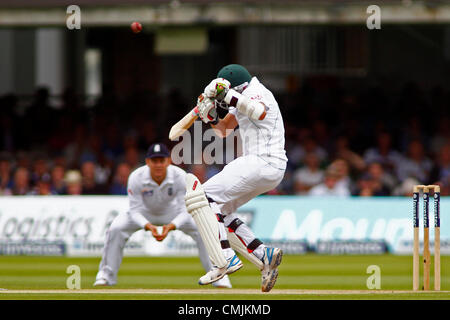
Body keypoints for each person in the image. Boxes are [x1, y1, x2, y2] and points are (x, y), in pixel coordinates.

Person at [186, 64, 287, 292]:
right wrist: (209, 117)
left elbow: (259, 111)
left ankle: (224, 257)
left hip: (262, 161)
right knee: (219, 212)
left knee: (202, 197)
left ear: (236, 88)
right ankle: (264, 255)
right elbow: (223, 130)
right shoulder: (243, 97)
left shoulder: (256, 93)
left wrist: (227, 95)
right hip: (268, 167)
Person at [94, 143, 231, 288]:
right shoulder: (136, 176)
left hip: (174, 213)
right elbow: (134, 210)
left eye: (162, 160)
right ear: (147, 162)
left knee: (204, 228)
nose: (158, 165)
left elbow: (185, 210)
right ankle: (106, 277)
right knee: (116, 228)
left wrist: (171, 226)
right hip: (144, 213)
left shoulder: (180, 176)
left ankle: (219, 277)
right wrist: (148, 226)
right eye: (154, 161)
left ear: (168, 161)